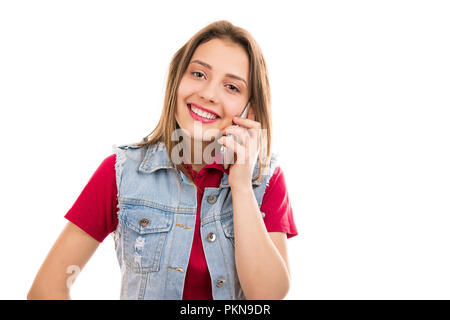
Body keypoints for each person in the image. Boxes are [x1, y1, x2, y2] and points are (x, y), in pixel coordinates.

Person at [27, 20, 298, 300]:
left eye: (231, 87)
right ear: (177, 80)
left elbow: (267, 296)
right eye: (198, 74)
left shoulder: (265, 181)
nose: (208, 94)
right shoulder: (122, 173)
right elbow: (46, 289)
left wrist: (241, 186)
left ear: (250, 109)